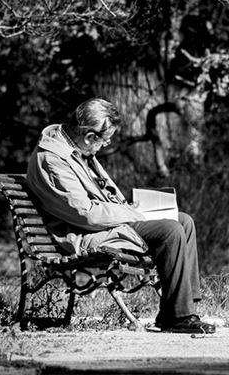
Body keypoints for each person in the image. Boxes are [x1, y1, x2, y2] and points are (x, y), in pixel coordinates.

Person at [26, 98, 215, 334]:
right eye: (106, 140)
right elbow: (86, 214)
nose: (106, 145)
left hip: (102, 224)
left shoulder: (75, 147)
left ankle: (177, 311)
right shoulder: (53, 160)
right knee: (171, 230)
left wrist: (131, 208)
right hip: (82, 234)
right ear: (90, 137)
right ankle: (181, 316)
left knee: (184, 221)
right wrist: (132, 212)